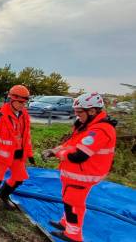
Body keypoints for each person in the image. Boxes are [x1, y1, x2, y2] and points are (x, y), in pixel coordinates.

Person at [42, 92, 117, 242]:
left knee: (73, 204)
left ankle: (73, 235)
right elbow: (71, 144)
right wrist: (54, 150)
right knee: (68, 199)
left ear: (92, 111)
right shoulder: (87, 126)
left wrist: (58, 154)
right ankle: (66, 223)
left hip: (83, 174)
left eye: (79, 112)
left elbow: (79, 155)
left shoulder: (100, 130)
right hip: (76, 173)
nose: (76, 115)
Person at [0, 85, 35, 213]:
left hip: (18, 154)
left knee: (19, 178)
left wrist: (29, 153)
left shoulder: (24, 115)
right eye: (20, 102)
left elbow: (26, 136)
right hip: (1, 155)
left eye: (24, 102)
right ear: (11, 100)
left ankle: (3, 195)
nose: (22, 105)